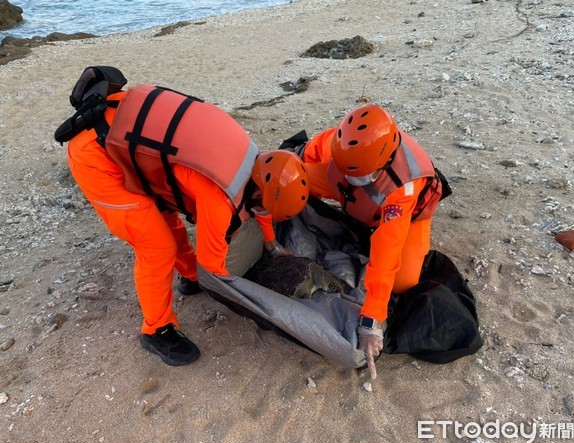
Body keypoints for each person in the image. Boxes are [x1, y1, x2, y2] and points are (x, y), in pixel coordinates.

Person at [55, 66, 309, 366]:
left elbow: (262, 210)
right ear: (260, 192)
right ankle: (156, 330)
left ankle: (188, 278)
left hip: (129, 141)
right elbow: (214, 269)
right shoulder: (218, 198)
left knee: (166, 218)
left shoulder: (254, 158)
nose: (263, 213)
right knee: (156, 246)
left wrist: (272, 246)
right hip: (95, 156)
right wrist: (252, 296)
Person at [298, 104, 447, 379]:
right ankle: (356, 212)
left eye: (361, 176)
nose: (355, 180)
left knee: (404, 283)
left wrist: (371, 318)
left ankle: (369, 220)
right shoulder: (340, 144)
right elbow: (308, 154)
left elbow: (385, 255)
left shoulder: (403, 188)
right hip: (349, 196)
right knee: (295, 182)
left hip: (406, 216)